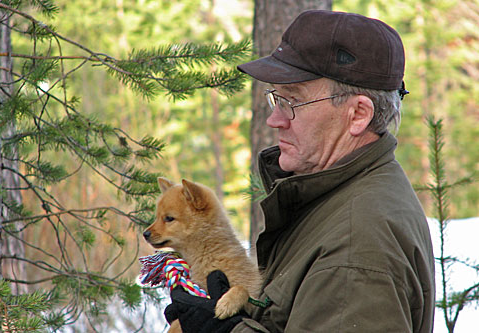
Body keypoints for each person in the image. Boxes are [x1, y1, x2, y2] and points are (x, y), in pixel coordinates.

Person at [164, 10, 435, 333]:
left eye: (292, 101)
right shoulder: (337, 198)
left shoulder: (356, 248)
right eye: (275, 99)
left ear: (358, 114)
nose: (274, 120)